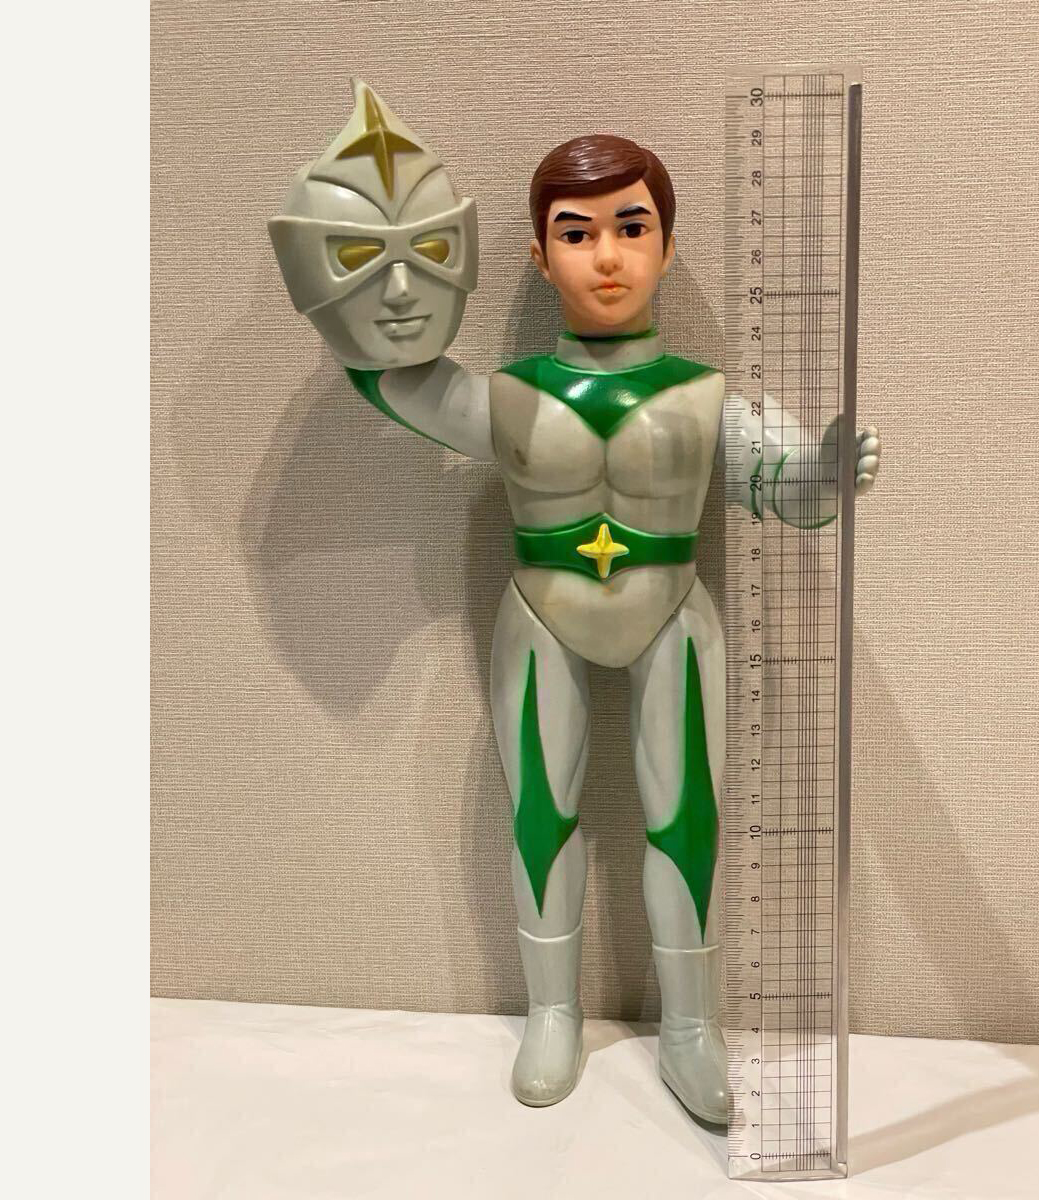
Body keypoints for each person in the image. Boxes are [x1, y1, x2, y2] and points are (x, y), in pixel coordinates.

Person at [269, 81, 880, 1123]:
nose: (607, 256)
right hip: (540, 621)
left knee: (686, 823)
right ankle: (551, 1014)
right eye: (577, 231)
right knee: (540, 818)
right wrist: (367, 262)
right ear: (538, 255)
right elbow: (390, 378)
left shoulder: (706, 397)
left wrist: (826, 473)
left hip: (673, 617)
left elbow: (786, 489)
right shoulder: (505, 396)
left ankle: (690, 1028)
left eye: (632, 227)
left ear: (669, 246)